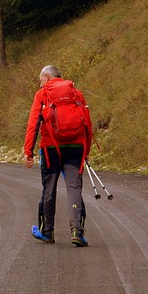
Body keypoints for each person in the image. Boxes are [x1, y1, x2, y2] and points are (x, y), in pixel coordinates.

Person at [23, 65, 93, 246]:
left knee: (49, 188)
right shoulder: (76, 93)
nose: (40, 85)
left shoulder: (42, 95)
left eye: (41, 81)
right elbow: (87, 123)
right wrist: (86, 151)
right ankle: (77, 231)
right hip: (75, 147)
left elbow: (33, 124)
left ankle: (47, 232)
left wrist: (28, 151)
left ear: (46, 76)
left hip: (51, 148)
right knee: (74, 189)